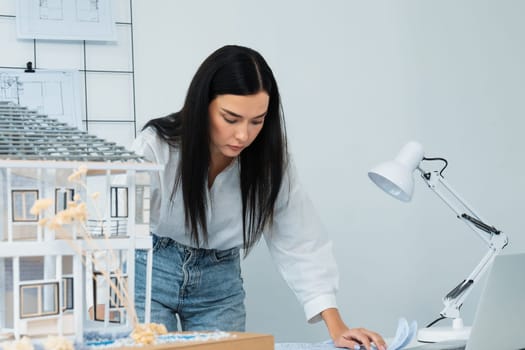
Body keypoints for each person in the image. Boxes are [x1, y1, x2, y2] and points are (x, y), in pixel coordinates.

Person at [132, 45, 386, 350]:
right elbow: (114, 227)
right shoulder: (156, 146)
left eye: (257, 121)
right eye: (231, 118)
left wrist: (337, 326)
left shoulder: (269, 162)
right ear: (203, 105)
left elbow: (300, 239)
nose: (243, 135)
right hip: (150, 270)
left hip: (218, 283)